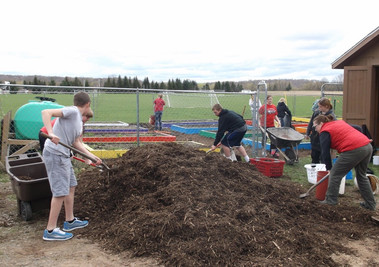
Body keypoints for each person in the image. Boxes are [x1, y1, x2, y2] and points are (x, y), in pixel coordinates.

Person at [41, 92, 102, 241]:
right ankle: (50, 230)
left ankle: (70, 221)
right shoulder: (73, 111)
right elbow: (46, 112)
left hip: (64, 155)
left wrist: (91, 157)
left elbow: (76, 142)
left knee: (71, 186)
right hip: (55, 154)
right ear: (87, 105)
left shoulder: (78, 122)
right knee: (60, 192)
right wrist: (50, 133)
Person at [313, 114, 376, 210]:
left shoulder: (325, 131)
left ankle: (330, 201)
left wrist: (329, 168)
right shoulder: (338, 123)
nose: (315, 129)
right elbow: (357, 128)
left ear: (321, 123)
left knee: (334, 175)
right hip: (367, 146)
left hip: (353, 149)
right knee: (361, 176)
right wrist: (363, 138)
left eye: (315, 126)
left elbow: (325, 152)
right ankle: (371, 205)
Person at [306, 97, 336, 163]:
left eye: (321, 106)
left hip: (324, 140)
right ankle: (314, 171)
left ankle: (323, 171)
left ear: (326, 106)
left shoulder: (332, 116)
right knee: (314, 157)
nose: (319, 108)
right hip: (314, 139)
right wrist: (307, 133)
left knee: (324, 159)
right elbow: (311, 123)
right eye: (319, 106)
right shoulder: (317, 113)